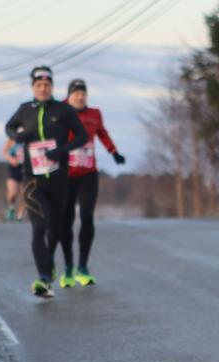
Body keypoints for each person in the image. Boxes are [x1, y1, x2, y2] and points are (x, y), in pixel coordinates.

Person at [4, 66, 88, 298]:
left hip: (59, 178)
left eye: (47, 85)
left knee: (56, 229)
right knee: (38, 228)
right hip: (33, 180)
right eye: (39, 85)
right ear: (33, 88)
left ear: (51, 87)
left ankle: (49, 264)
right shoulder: (24, 110)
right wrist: (16, 136)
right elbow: (9, 127)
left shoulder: (63, 110)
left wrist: (62, 151)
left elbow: (82, 136)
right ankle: (43, 277)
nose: (43, 89)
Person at [57, 78, 125, 288]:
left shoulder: (94, 114)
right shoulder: (60, 111)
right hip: (65, 175)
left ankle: (83, 267)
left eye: (83, 93)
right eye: (76, 93)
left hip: (88, 174)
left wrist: (113, 152)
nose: (80, 96)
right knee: (65, 221)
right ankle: (68, 267)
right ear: (69, 96)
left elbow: (102, 133)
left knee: (87, 217)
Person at [1, 137, 25, 222]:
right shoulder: (12, 139)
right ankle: (11, 207)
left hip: (25, 168)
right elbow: (4, 152)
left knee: (24, 194)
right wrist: (10, 159)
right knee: (12, 193)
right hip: (14, 169)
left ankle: (20, 216)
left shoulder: (29, 136)